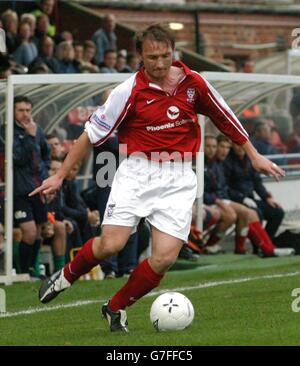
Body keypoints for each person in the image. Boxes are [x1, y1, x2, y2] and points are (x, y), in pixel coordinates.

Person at [30, 24, 285, 333]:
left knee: (163, 259)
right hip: (137, 174)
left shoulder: (194, 83)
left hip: (178, 177)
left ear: (173, 52)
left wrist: (255, 154)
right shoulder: (128, 91)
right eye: (153, 57)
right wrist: (58, 176)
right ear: (140, 55)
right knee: (111, 244)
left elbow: (225, 116)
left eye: (166, 55)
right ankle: (65, 276)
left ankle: (115, 307)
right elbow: (90, 135)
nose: (160, 63)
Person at [13, 95, 51, 275]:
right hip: (19, 191)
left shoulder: (38, 130)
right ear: (13, 112)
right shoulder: (7, 132)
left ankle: (30, 270)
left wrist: (47, 177)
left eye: (28, 110)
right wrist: (29, 136)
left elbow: (46, 153)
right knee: (28, 231)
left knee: (38, 232)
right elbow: (17, 159)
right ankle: (21, 271)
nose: (25, 114)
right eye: (20, 110)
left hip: (39, 188)